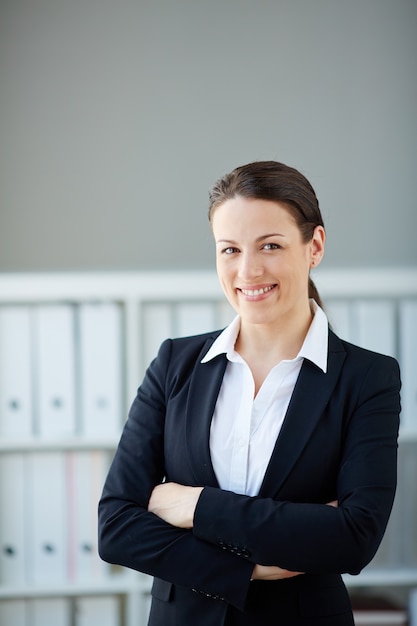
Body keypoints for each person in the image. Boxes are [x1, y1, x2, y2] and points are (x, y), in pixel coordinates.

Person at [98, 161, 401, 626]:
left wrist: (193, 506)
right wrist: (247, 569)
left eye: (271, 246)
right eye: (229, 250)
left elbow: (355, 536)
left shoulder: (366, 377)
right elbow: (116, 528)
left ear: (314, 246)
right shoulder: (175, 364)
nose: (247, 270)